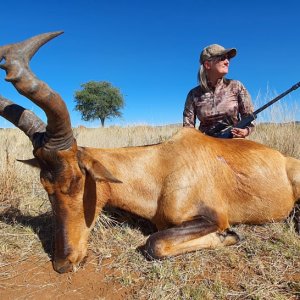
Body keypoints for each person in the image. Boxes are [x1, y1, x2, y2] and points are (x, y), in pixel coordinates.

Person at [183, 44, 254, 138]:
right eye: (222, 58)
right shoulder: (193, 94)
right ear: (208, 64)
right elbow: (188, 130)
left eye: (228, 58)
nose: (227, 62)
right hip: (206, 144)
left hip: (234, 141)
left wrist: (245, 131)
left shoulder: (236, 86)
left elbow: (249, 119)